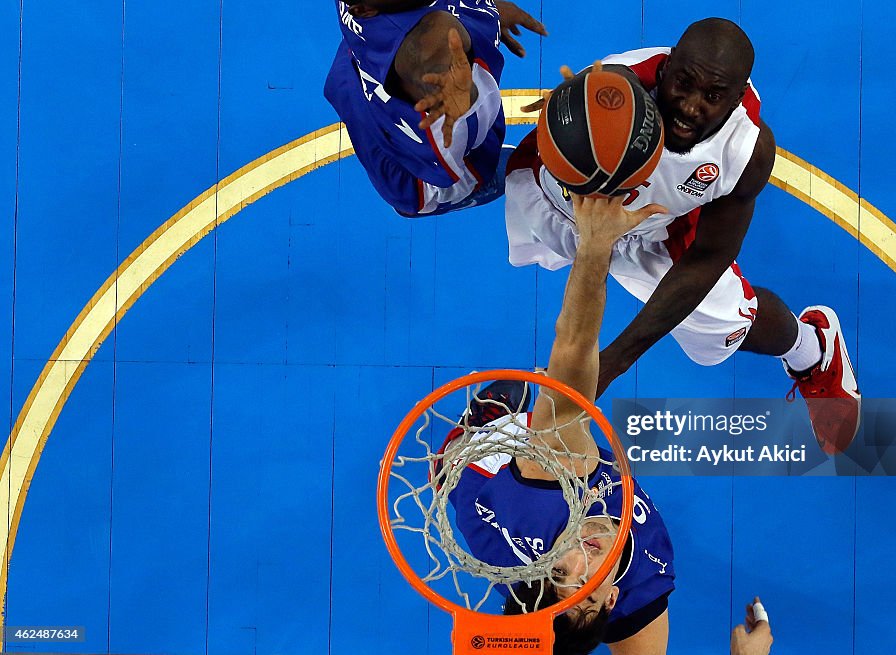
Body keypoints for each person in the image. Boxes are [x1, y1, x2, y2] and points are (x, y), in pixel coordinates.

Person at [505, 18, 861, 455]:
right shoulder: (617, 89)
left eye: (712, 97)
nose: (691, 106)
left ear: (734, 100)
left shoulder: (746, 151)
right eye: (684, 85)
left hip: (651, 230)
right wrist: (570, 114)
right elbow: (577, 115)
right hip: (563, 208)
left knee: (727, 323)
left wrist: (612, 363)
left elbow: (708, 257)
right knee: (444, 175)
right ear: (667, 69)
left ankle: (812, 349)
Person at [441, 194, 772, 655]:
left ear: (543, 567)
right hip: (562, 587)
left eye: (559, 572)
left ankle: (476, 436)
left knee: (470, 468)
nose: (580, 555)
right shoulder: (638, 594)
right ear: (612, 598)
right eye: (588, 588)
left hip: (495, 507)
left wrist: (595, 244)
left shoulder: (552, 480)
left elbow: (573, 347)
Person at [323, 0, 545, 216]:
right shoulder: (429, 46)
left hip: (359, 86)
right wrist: (487, 18)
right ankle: (465, 190)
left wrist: (488, 9)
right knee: (480, 162)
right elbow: (433, 44)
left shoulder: (370, 8)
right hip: (423, 171)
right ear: (364, 9)